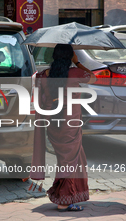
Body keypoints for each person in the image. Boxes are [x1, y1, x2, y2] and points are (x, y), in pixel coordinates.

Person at [30, 44, 96, 212]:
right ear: (70, 56)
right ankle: (65, 200)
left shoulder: (44, 75)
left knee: (65, 159)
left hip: (53, 122)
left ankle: (66, 196)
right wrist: (78, 62)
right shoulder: (75, 73)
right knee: (70, 161)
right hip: (70, 123)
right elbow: (93, 78)